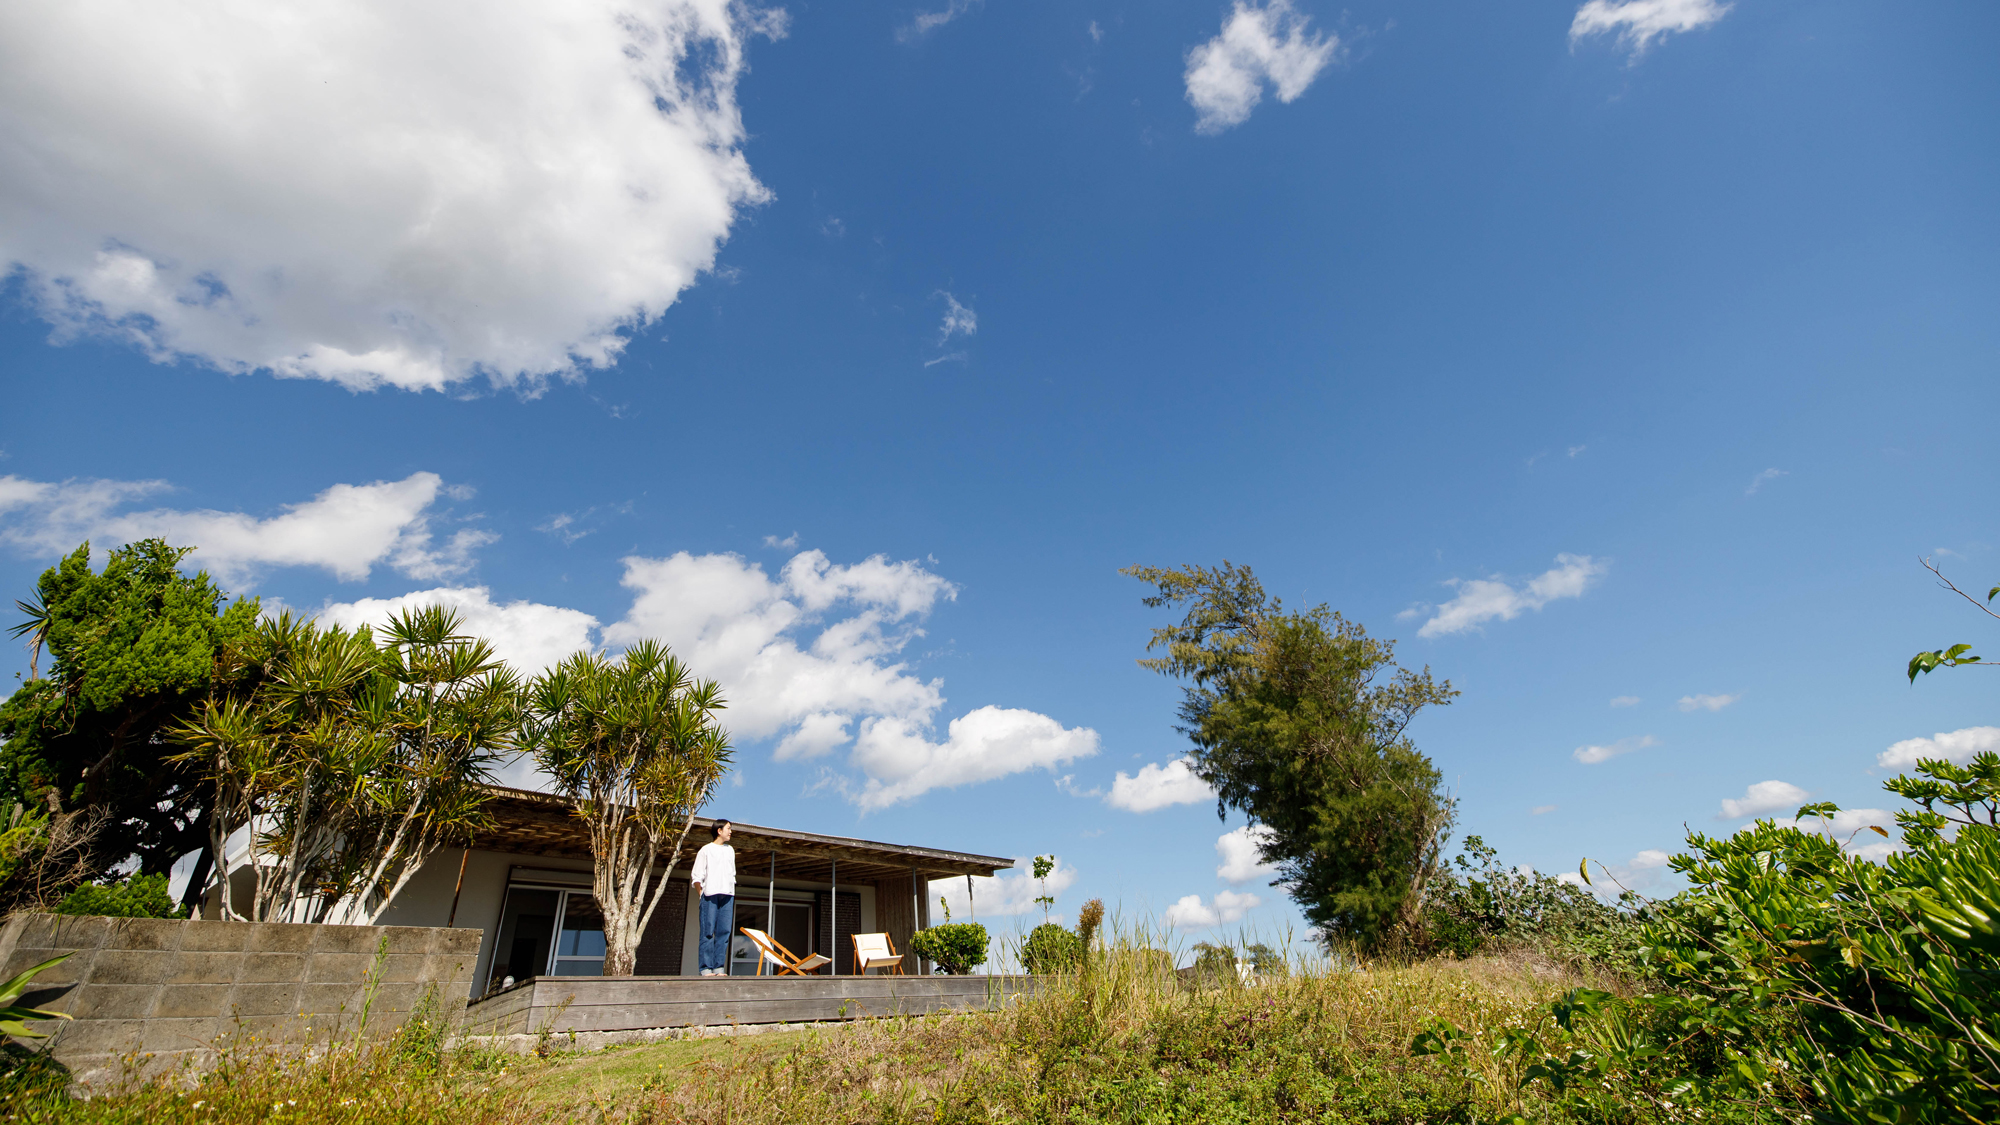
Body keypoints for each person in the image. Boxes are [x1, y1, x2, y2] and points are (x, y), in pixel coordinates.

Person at [689, 819, 737, 977]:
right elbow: (696, 877)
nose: (730, 832)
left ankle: (718, 968)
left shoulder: (730, 850)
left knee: (724, 932)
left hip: (728, 896)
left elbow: (732, 873)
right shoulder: (706, 850)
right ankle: (705, 969)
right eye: (728, 829)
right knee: (707, 933)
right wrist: (702, 894)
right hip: (709, 896)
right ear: (719, 830)